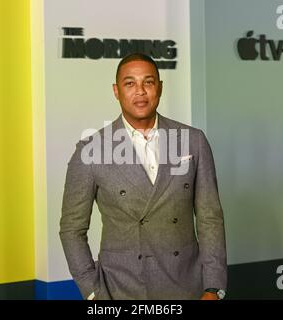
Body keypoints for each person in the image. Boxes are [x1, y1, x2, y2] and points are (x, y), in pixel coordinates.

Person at [60, 53, 227, 300]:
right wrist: (93, 293)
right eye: (130, 84)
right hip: (121, 290)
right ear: (116, 91)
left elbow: (209, 217)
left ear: (160, 87)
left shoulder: (193, 141)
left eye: (148, 82)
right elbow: (72, 229)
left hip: (187, 286)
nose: (140, 91)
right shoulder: (90, 151)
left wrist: (213, 288)